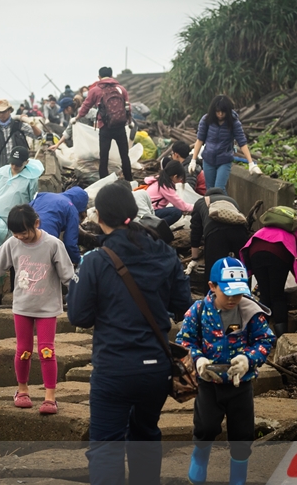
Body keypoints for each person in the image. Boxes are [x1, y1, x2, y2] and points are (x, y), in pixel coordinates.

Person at [67, 183, 192, 485]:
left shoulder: (96, 259)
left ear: (99, 216)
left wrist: (76, 283)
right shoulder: (165, 253)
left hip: (115, 369)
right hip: (157, 369)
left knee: (106, 448)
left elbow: (79, 316)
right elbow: (182, 307)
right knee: (146, 434)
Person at [0, 205, 75, 414]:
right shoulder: (13, 244)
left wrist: (83, 291)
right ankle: (22, 390)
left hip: (47, 308)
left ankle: (50, 396)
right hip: (22, 307)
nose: (21, 237)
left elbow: (69, 275)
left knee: (46, 351)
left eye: (24, 232)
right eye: (16, 233)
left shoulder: (53, 245)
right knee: (23, 351)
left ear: (36, 224)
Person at [177, 256, 275, 485]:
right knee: (205, 427)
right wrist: (198, 360)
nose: (233, 299)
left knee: (242, 435)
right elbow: (185, 340)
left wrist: (248, 359)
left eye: (238, 293)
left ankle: (238, 478)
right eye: (227, 293)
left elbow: (265, 339)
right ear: (212, 286)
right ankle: (200, 458)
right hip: (208, 384)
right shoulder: (199, 310)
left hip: (240, 385)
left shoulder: (250, 311)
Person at [240, 215, 297, 335]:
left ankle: (258, 333)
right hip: (278, 251)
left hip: (254, 251)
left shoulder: (265, 229)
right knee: (277, 296)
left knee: (265, 295)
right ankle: (282, 336)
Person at [0, 146, 44, 258]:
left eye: (18, 164)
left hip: (16, 217)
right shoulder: (2, 172)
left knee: (16, 248)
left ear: (26, 162)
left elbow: (32, 199)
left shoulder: (30, 178)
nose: (14, 166)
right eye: (12, 163)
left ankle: (14, 272)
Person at [189, 95, 261, 190]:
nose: (220, 114)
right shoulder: (206, 120)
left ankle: (226, 204)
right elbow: (200, 140)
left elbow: (242, 143)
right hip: (208, 159)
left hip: (224, 159)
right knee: (210, 190)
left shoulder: (234, 123)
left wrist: (251, 163)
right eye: (217, 112)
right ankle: (214, 205)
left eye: (223, 112)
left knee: (219, 189)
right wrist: (193, 160)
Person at [75, 67, 134, 182]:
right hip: (120, 126)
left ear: (99, 77)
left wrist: (77, 118)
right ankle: (129, 181)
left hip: (105, 127)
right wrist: (129, 121)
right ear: (111, 76)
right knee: (124, 156)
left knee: (104, 158)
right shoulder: (121, 89)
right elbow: (128, 107)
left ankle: (104, 182)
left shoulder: (95, 91)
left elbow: (86, 106)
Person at [188, 188, 249, 278]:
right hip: (239, 232)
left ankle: (213, 291)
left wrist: (194, 258)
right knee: (244, 268)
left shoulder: (201, 202)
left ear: (207, 195)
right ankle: (245, 289)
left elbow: (196, 232)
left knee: (213, 271)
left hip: (215, 233)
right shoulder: (232, 201)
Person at [30, 186, 88, 265]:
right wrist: (78, 260)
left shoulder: (46, 195)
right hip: (45, 240)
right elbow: (70, 243)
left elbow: (27, 209)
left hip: (26, 233)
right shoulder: (72, 208)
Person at [0, 99, 42, 170]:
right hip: (3, 168)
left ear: (9, 111)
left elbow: (39, 136)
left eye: (4, 111)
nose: (1, 114)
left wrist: (32, 124)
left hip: (20, 167)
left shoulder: (19, 125)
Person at [143, 160, 194, 226]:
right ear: (175, 176)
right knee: (176, 212)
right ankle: (156, 227)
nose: (180, 180)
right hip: (149, 212)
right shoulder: (165, 186)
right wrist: (196, 206)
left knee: (176, 210)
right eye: (180, 178)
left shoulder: (161, 180)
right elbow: (181, 205)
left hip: (148, 210)